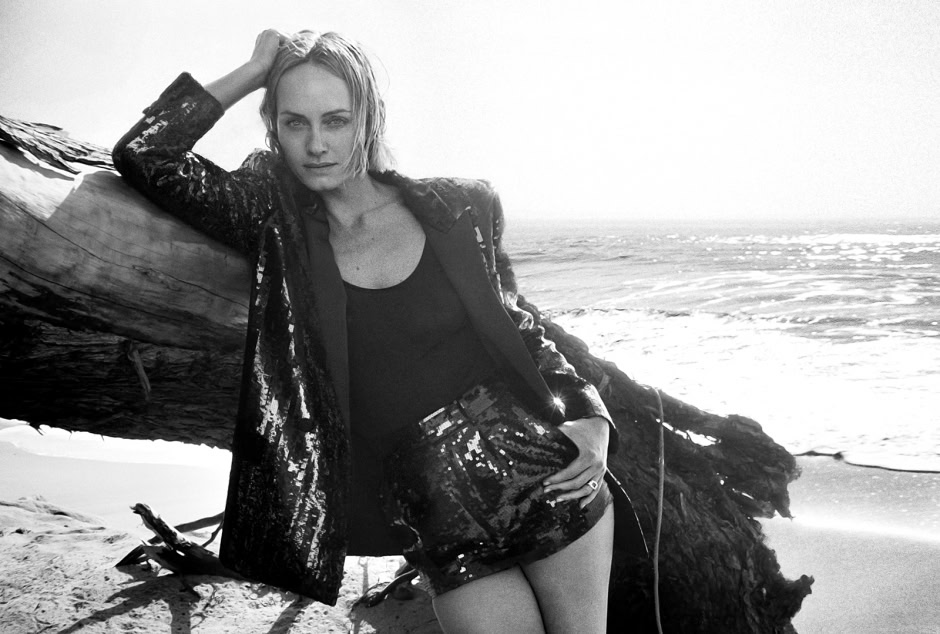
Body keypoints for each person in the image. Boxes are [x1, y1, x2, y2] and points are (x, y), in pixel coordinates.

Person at [113, 29, 644, 633]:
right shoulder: (274, 226)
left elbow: (520, 326)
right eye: (295, 123)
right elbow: (144, 154)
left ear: (369, 117)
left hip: (544, 474)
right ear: (273, 126)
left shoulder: (459, 208)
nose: (316, 144)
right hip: (439, 522)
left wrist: (593, 417)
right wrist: (254, 68)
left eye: (336, 120)